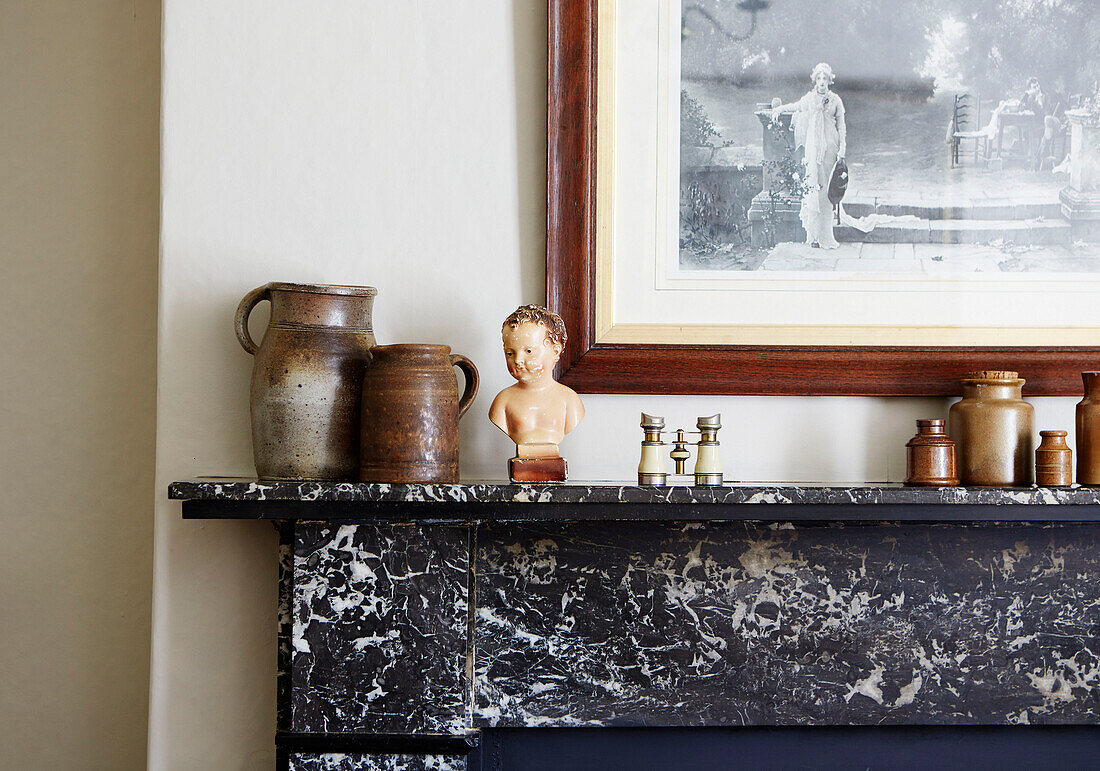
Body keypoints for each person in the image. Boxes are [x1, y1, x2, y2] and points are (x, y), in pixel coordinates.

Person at [489, 305, 584, 460]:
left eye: (529, 351)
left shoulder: (569, 400)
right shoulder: (503, 401)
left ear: (555, 351)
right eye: (510, 353)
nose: (518, 360)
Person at [771, 62, 847, 249]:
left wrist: (842, 149)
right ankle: (814, 236)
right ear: (815, 80)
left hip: (830, 147)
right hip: (814, 147)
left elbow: (842, 126)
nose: (822, 82)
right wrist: (779, 109)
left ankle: (826, 236)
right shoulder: (810, 98)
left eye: (825, 79)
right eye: (819, 78)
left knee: (827, 190)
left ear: (830, 81)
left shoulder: (836, 100)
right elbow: (795, 106)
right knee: (814, 186)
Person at [1020, 77, 1065, 170]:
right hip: (1037, 125)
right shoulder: (1030, 98)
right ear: (1030, 89)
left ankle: (1037, 158)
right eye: (1034, 87)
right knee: (1027, 133)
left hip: (1049, 125)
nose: (1037, 88)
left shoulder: (1046, 97)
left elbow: (1047, 114)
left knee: (1038, 129)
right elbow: (1021, 106)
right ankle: (1035, 157)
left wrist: (1040, 103)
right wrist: (1026, 94)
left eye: (1038, 85)